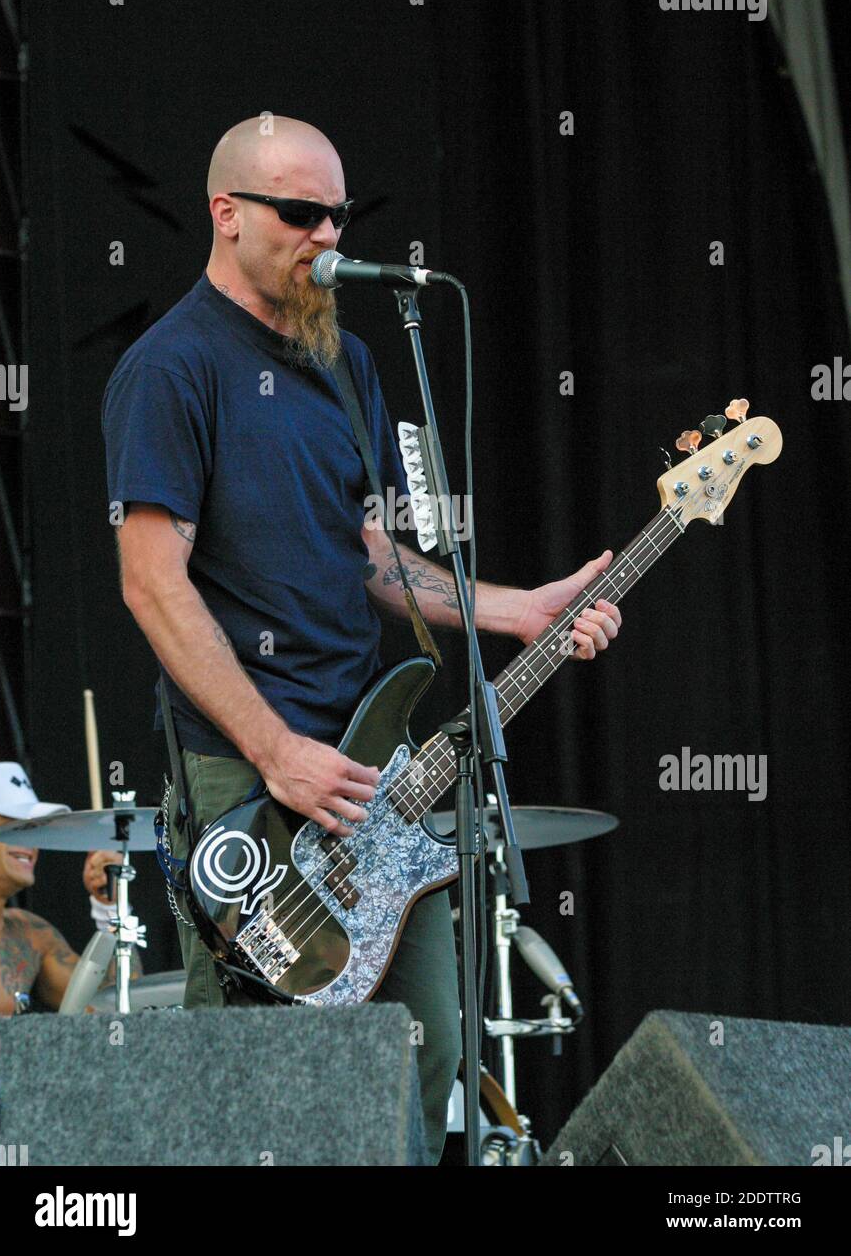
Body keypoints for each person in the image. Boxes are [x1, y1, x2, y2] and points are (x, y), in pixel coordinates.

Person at [101, 115, 621, 1163]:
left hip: (375, 768)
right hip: (247, 775)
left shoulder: (349, 362)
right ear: (228, 214)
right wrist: (273, 749)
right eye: (301, 213)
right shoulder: (171, 368)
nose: (326, 233)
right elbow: (151, 586)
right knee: (261, 1080)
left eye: (340, 211)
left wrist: (515, 610)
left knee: (417, 1055)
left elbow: (366, 553)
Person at [0, 762, 129, 1015]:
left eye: (33, 829)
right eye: (15, 824)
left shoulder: (30, 934)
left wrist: (109, 906)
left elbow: (117, 1010)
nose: (31, 842)